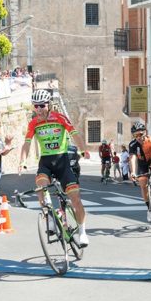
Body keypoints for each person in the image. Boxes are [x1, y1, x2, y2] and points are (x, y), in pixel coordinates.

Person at [19, 89, 90, 247]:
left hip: (62, 161)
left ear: (48, 104)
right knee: (41, 187)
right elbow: (27, 143)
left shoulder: (60, 118)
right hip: (45, 162)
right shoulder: (34, 123)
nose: (39, 109)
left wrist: (83, 149)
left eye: (42, 105)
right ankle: (50, 218)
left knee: (76, 199)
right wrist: (22, 161)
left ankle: (82, 232)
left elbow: (75, 134)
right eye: (35, 106)